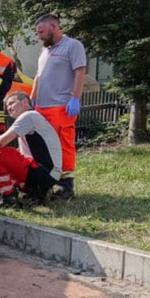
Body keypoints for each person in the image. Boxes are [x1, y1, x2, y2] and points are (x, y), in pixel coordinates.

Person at [30, 13, 87, 200]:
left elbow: (80, 72)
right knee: (43, 145)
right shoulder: (44, 50)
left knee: (62, 145)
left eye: (41, 32)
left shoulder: (73, 46)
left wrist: (75, 98)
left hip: (61, 107)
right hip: (41, 107)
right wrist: (32, 99)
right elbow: (38, 76)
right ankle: (47, 182)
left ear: (54, 27)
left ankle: (66, 185)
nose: (39, 36)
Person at [0, 91, 63, 208]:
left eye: (12, 103)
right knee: (9, 157)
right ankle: (35, 192)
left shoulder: (28, 116)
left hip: (44, 172)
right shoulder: (32, 118)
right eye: (7, 106)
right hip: (49, 173)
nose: (8, 108)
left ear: (25, 102)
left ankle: (9, 198)